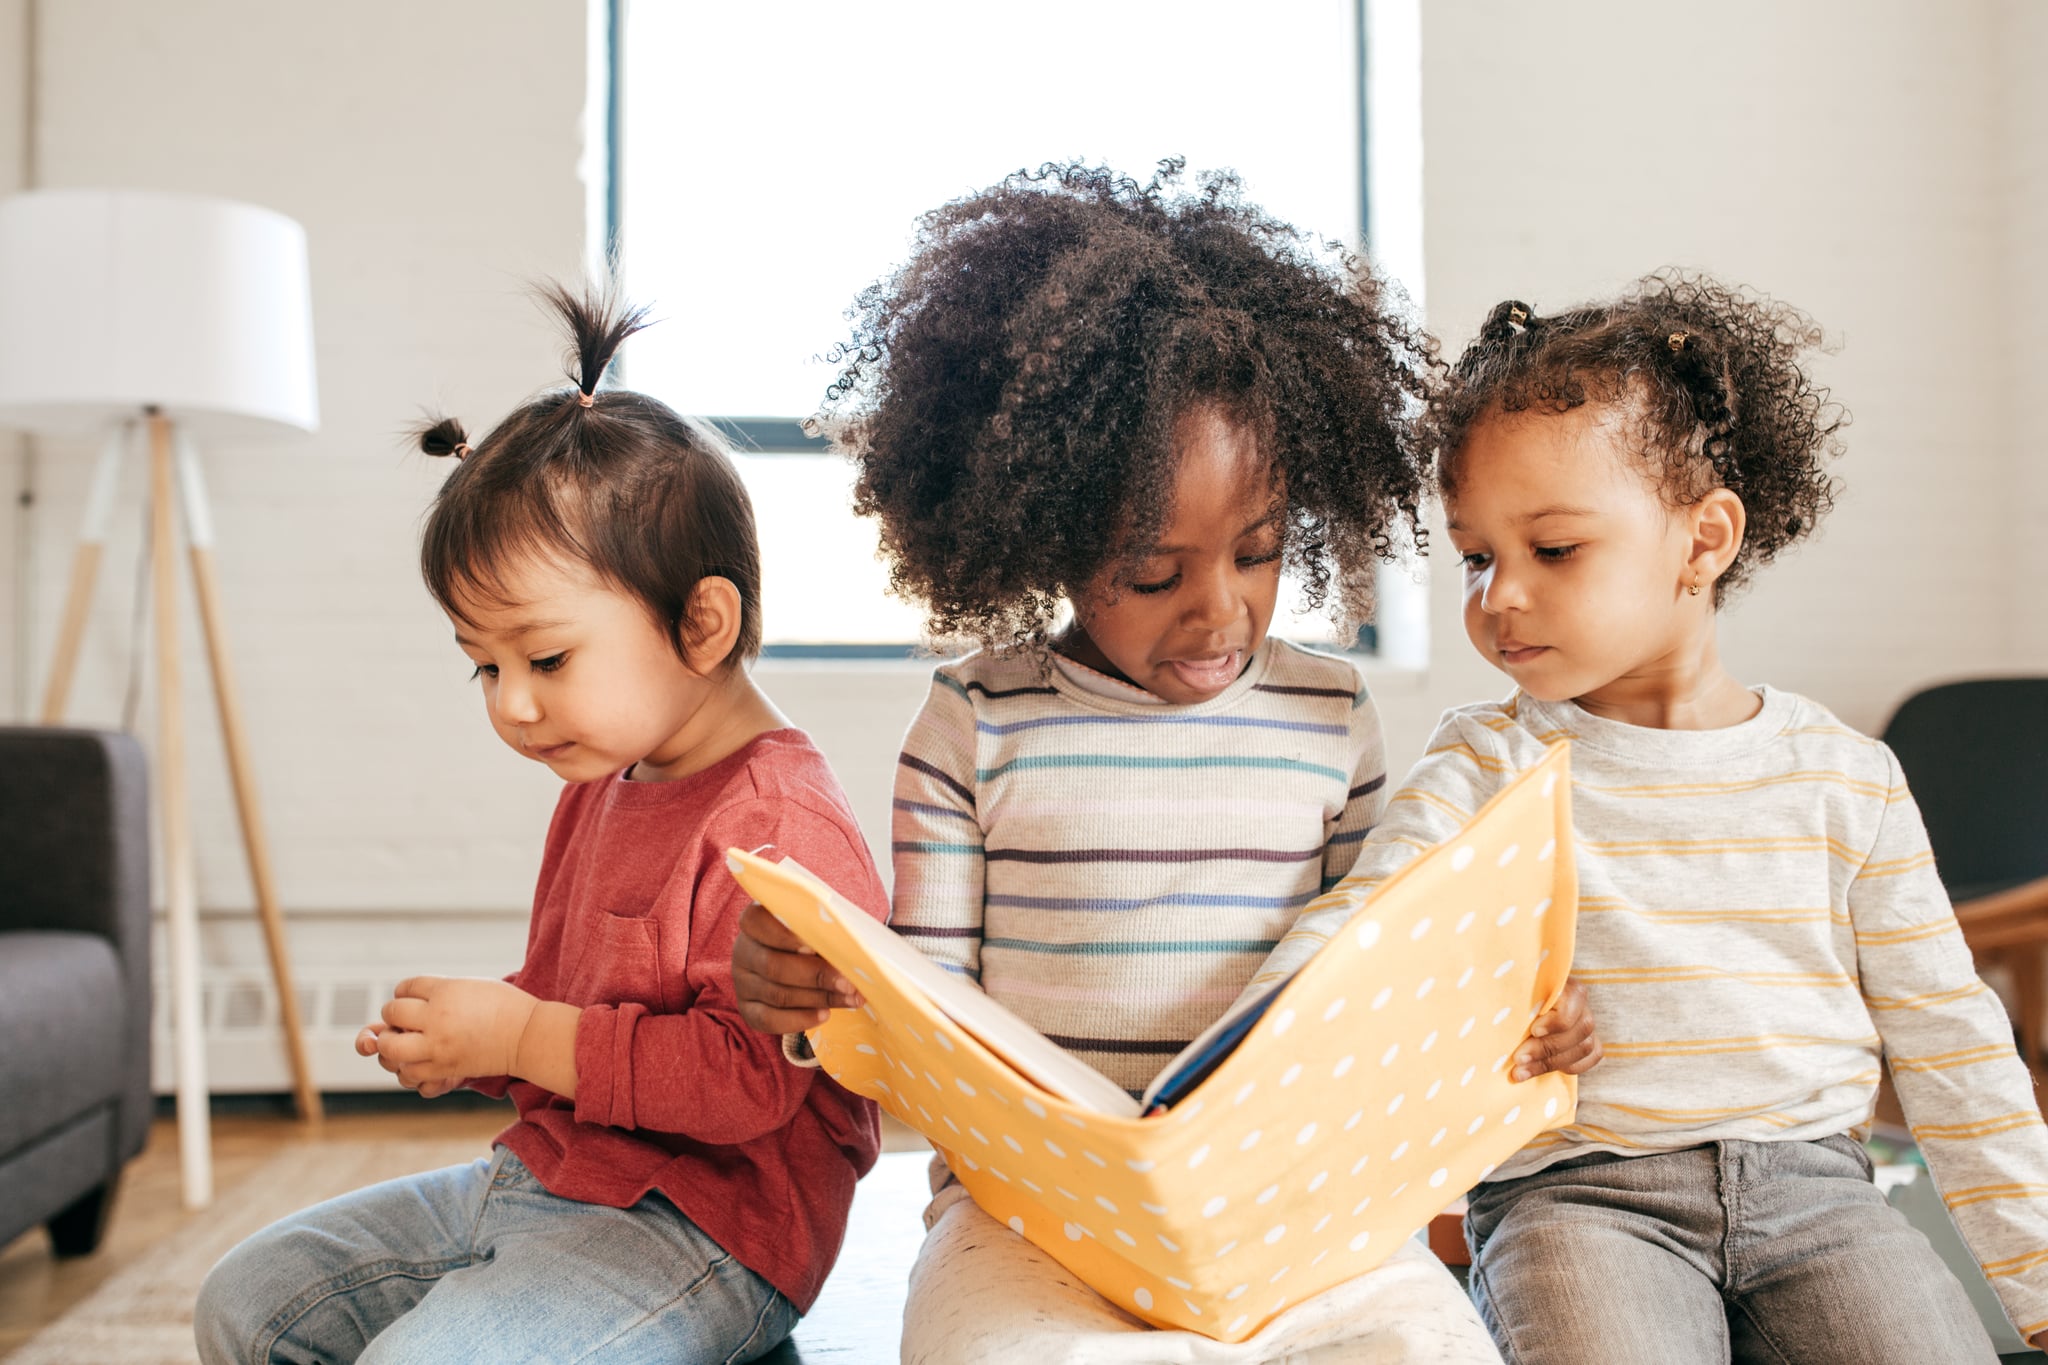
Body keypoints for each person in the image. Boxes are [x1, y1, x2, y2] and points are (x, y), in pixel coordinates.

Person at [732, 161, 1598, 1363]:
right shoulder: (973, 726)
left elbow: (1370, 983)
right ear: (1040, 532)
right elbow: (922, 1042)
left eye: (1255, 553)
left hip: (1301, 1218)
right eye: (1152, 573)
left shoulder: (1329, 716)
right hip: (1029, 1223)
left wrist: (1510, 1024)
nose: (1218, 616)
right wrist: (813, 1000)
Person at [1242, 272, 2048, 1363]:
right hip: (1575, 1202)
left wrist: (2037, 1279)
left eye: (1553, 550)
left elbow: (1953, 1043)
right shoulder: (1486, 761)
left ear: (1701, 541)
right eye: (1477, 558)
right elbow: (1371, 931)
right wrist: (1248, 1048)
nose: (1499, 596)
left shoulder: (1842, 778)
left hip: (1817, 1195)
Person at [193, 287, 889, 1365]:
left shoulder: (779, 827)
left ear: (701, 623)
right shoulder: (601, 788)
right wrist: (481, 1042)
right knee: (250, 1305)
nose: (509, 705)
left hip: (706, 1231)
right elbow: (585, 1023)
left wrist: (522, 1036)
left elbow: (748, 1082)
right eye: (486, 665)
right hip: (547, 1177)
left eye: (545, 659)